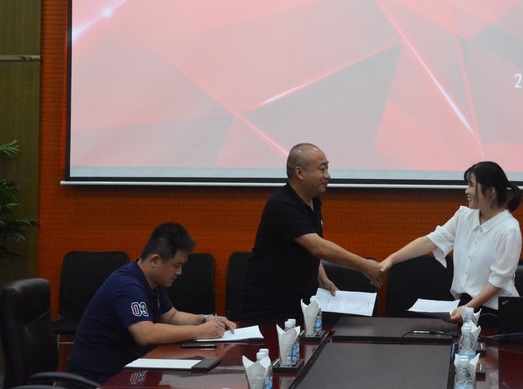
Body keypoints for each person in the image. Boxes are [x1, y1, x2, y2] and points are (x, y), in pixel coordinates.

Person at [67, 222, 236, 382]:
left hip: (127, 373)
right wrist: (199, 332)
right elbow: (145, 334)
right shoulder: (126, 285)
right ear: (154, 261)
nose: (179, 272)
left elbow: (171, 316)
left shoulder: (152, 282)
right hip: (98, 380)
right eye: (176, 265)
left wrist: (206, 319)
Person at [242, 143, 382, 324]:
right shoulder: (282, 205)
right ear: (300, 173)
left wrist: (322, 278)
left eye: (327, 168)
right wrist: (364, 266)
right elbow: (318, 247)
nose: (328, 176)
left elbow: (307, 245)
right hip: (269, 305)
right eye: (322, 169)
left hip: (298, 300)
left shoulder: (313, 200)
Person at [379, 161, 522, 323]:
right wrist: (391, 259)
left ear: (490, 191)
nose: (466, 191)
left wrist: (468, 308)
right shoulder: (464, 216)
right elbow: (431, 241)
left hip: (494, 311)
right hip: (465, 305)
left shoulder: (509, 229)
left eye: (471, 185)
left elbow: (498, 280)